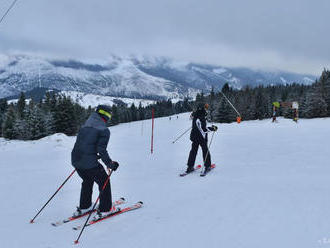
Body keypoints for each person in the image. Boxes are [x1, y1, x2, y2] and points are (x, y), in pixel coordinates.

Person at [71, 105, 119, 219]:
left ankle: (85, 205)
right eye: (109, 115)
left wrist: (92, 154)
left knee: (87, 179)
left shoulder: (85, 126)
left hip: (76, 160)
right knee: (104, 181)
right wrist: (110, 164)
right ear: (105, 115)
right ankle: (106, 209)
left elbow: (85, 144)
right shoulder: (104, 130)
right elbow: (101, 150)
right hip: (88, 163)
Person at [186, 103, 217, 174]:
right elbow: (203, 129)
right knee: (205, 151)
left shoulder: (195, 116)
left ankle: (190, 166)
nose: (206, 109)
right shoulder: (201, 117)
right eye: (205, 108)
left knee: (193, 151)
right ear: (203, 109)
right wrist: (212, 128)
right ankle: (207, 166)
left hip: (194, 136)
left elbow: (197, 126)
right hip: (201, 137)